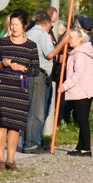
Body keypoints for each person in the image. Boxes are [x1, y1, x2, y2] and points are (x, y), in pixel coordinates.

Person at [0, 10, 40, 172]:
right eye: (12, 24)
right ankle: (0, 160)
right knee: (1, 124)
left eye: (17, 25)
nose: (13, 27)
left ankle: (10, 160)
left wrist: (21, 67)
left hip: (19, 91)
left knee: (15, 125)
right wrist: (1, 64)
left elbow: (35, 70)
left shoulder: (31, 46)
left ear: (24, 26)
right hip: (3, 88)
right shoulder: (2, 43)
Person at [58, 28, 93, 157]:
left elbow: (78, 74)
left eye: (71, 37)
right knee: (81, 118)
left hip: (83, 90)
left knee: (82, 120)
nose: (69, 40)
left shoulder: (80, 53)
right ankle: (80, 147)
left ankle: (86, 149)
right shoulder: (77, 52)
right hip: (83, 89)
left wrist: (64, 86)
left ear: (80, 39)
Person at [23, 11, 60, 154]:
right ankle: (31, 143)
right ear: (46, 24)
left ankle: (31, 141)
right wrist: (62, 43)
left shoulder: (29, 32)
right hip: (38, 74)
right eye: (51, 24)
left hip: (31, 73)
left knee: (31, 109)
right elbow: (50, 54)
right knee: (36, 111)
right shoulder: (41, 34)